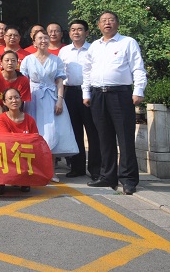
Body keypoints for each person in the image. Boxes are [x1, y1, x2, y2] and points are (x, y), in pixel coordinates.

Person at [82, 11, 147, 195]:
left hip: (120, 94)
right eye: (103, 21)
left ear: (117, 23)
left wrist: (138, 90)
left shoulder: (127, 42)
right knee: (104, 137)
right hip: (98, 95)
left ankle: (128, 179)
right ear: (98, 25)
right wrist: (86, 93)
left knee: (125, 138)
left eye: (111, 20)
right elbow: (87, 71)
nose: (107, 23)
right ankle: (107, 176)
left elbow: (138, 67)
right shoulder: (94, 46)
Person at [21, 30, 77, 183]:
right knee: (35, 133)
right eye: (40, 38)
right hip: (33, 98)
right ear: (34, 42)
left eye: (45, 38)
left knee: (51, 133)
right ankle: (33, 169)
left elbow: (59, 81)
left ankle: (50, 170)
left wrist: (59, 100)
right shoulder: (27, 60)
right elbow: (23, 82)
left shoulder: (56, 60)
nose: (43, 40)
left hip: (51, 97)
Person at [59, 19, 101, 179]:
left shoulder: (93, 49)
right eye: (73, 29)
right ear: (69, 33)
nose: (76, 32)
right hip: (70, 93)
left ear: (87, 32)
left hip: (89, 93)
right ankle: (77, 167)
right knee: (74, 131)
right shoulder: (64, 51)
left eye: (80, 29)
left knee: (93, 131)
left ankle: (96, 169)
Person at [0, 87, 38, 195]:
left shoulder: (30, 119)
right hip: (8, 151)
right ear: (4, 102)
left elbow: (35, 139)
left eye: (16, 97)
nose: (14, 101)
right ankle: (1, 182)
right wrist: (24, 139)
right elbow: (6, 138)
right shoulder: (1, 118)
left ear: (21, 99)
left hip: (24, 153)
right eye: (10, 98)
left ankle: (24, 180)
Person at [0, 50, 31, 116]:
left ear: (17, 63)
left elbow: (20, 103)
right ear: (1, 63)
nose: (10, 63)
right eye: (7, 60)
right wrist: (4, 118)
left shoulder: (23, 80)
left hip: (16, 111)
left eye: (13, 61)